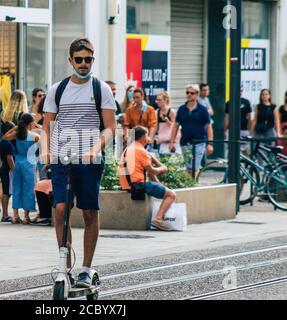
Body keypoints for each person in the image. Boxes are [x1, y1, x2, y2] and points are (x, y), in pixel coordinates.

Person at [42, 37, 117, 288]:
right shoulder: (57, 89)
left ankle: (86, 267)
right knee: (61, 209)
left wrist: (94, 148)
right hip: (63, 158)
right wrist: (46, 152)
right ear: (70, 60)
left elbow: (110, 128)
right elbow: (47, 127)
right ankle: (65, 265)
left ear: (92, 59)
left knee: (89, 212)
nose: (84, 64)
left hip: (90, 160)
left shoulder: (101, 89)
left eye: (88, 59)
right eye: (79, 59)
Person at [119, 126, 177, 231]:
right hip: (138, 186)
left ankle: (160, 217)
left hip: (127, 185)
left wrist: (159, 184)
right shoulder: (141, 151)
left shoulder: (129, 148)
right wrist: (162, 168)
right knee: (171, 194)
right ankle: (158, 219)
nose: (149, 138)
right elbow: (152, 171)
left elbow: (147, 171)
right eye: (147, 135)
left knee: (163, 189)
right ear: (143, 137)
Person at [169, 84, 214, 176]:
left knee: (193, 168)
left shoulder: (202, 109)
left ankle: (192, 186)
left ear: (197, 94)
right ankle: (192, 186)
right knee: (188, 168)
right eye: (187, 92)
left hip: (199, 143)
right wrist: (172, 142)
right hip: (185, 143)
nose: (189, 95)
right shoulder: (182, 109)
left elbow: (209, 126)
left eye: (192, 93)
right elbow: (175, 126)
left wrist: (210, 144)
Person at [11, 113, 40, 224]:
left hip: (18, 162)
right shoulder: (33, 135)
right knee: (28, 189)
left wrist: (16, 127)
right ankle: (26, 217)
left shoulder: (18, 134)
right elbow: (45, 139)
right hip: (29, 163)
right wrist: (39, 126)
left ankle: (15, 216)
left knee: (17, 188)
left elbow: (5, 137)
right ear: (30, 123)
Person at [225, 86, 252, 155]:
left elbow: (249, 117)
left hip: (243, 129)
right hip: (232, 130)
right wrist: (225, 130)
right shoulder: (229, 102)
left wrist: (250, 130)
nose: (239, 92)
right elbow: (227, 117)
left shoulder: (246, 102)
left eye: (241, 91)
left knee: (245, 148)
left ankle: (247, 164)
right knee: (231, 148)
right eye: (238, 90)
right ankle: (232, 164)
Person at [0, 121, 16, 223]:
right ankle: (5, 215)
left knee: (7, 192)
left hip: (5, 168)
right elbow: (10, 158)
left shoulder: (3, 141)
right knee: (6, 193)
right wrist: (14, 171)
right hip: (8, 170)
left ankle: (5, 214)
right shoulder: (7, 143)